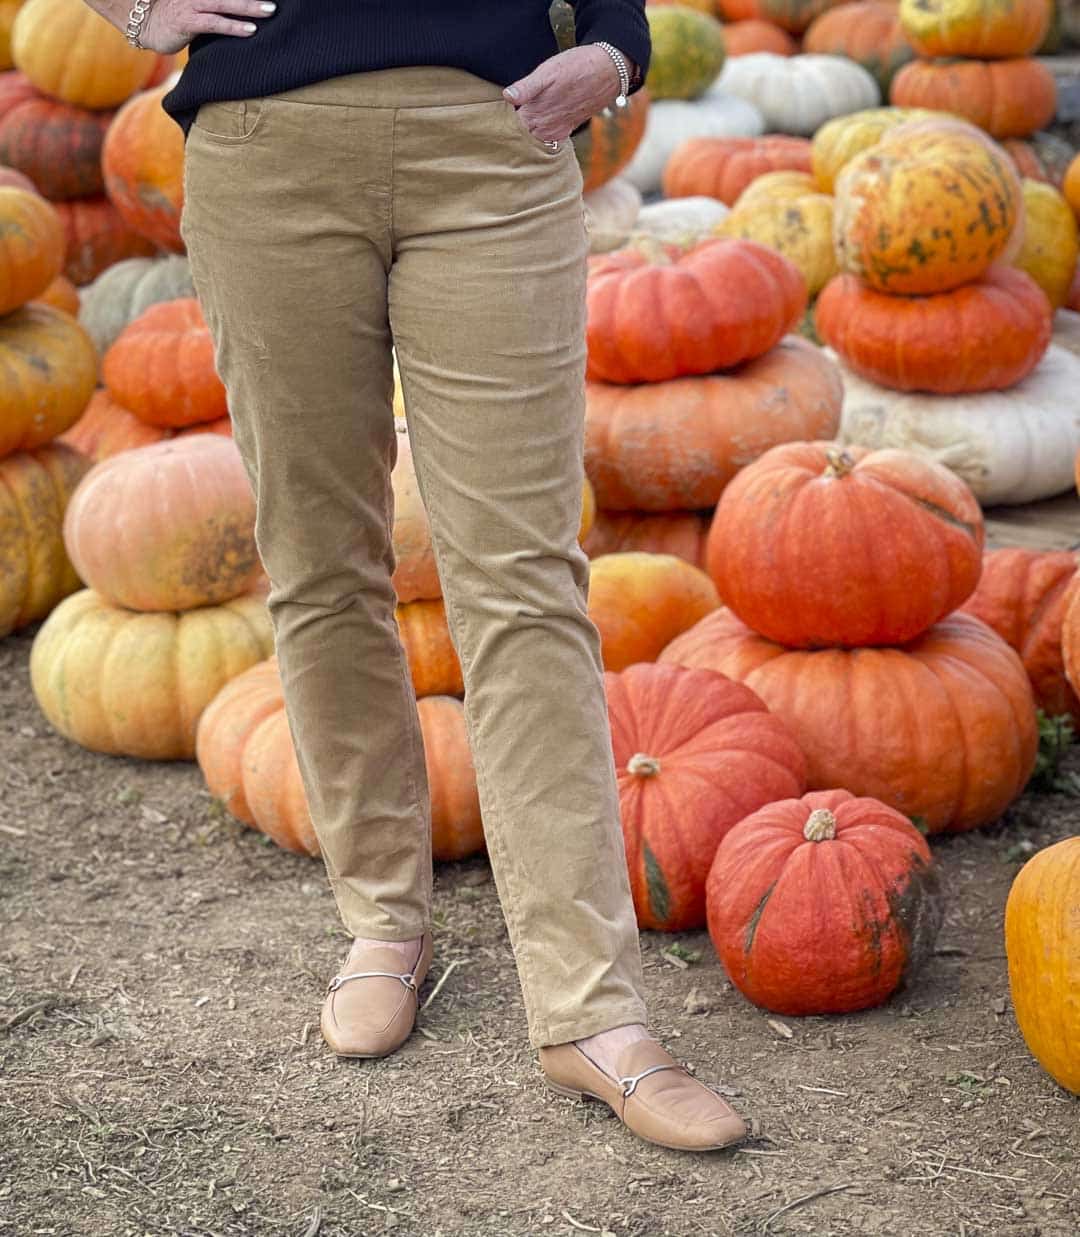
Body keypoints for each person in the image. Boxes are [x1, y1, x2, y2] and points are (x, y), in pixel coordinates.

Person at [85, 0, 748, 1152]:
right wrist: (131, 8)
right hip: (265, 146)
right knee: (320, 564)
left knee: (525, 580)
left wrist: (616, 48)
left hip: (492, 137)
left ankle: (593, 1012)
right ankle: (385, 924)